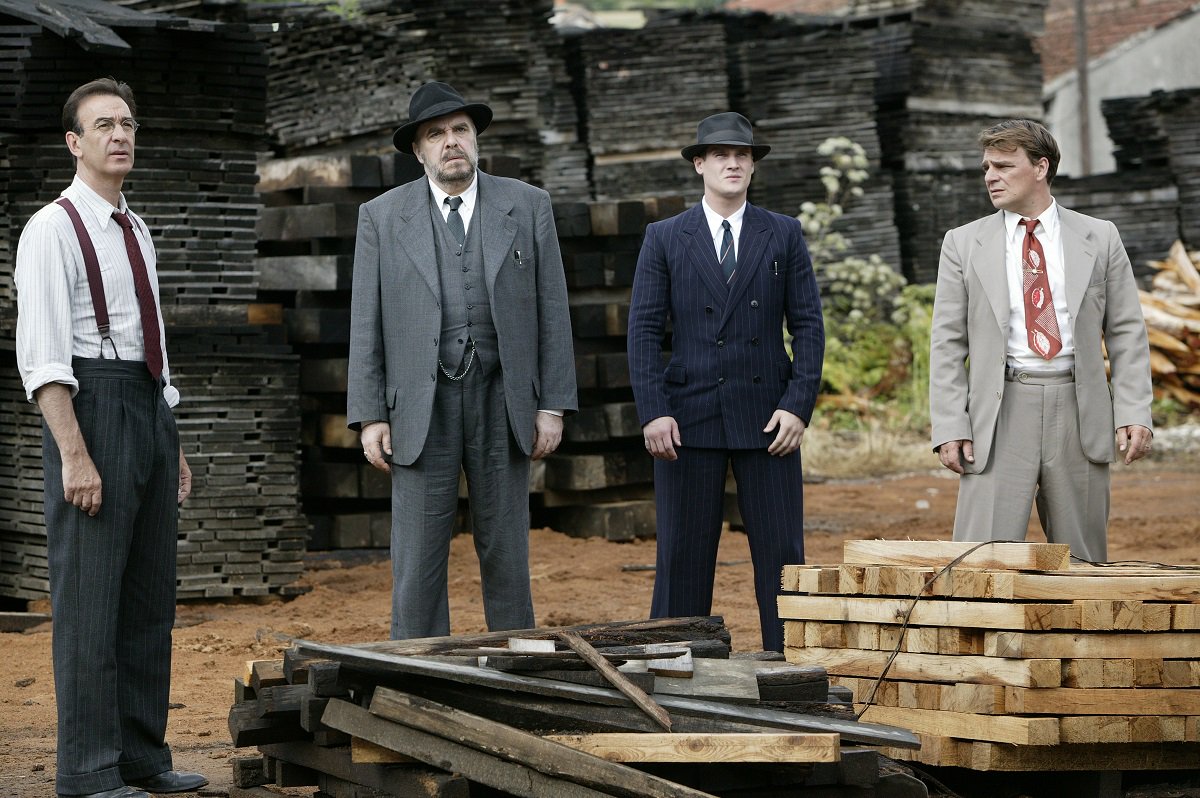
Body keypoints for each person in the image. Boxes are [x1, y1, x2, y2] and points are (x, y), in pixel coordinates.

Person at [14, 79, 207, 798]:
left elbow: (152, 343)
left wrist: (170, 437)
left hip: (147, 408)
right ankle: (89, 772)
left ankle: (141, 758)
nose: (119, 135)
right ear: (74, 142)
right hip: (91, 408)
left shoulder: (137, 227)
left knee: (149, 599)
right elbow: (43, 358)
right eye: (102, 125)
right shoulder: (52, 228)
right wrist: (74, 454)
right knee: (90, 601)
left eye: (127, 123)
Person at [348, 81, 577, 640]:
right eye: (436, 134)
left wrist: (553, 405)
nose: (450, 141)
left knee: (506, 549)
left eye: (460, 130)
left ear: (475, 139)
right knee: (418, 557)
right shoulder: (381, 217)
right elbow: (365, 320)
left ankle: (517, 664)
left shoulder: (528, 205)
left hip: (503, 398)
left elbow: (553, 309)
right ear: (418, 150)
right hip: (418, 405)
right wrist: (371, 414)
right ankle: (419, 672)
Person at [627, 112, 825, 652]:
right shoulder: (666, 237)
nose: (733, 163)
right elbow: (644, 329)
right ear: (699, 164)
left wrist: (798, 404)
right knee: (683, 551)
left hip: (769, 414)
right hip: (687, 416)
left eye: (743, 155)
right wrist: (654, 410)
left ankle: (790, 660)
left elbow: (808, 325)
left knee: (782, 552)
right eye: (720, 155)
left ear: (753, 166)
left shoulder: (782, 232)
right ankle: (674, 661)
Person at [930, 119, 1154, 562]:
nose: (991, 177)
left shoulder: (1100, 237)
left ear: (1040, 167)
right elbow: (947, 343)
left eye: (1003, 166)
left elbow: (1127, 331)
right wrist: (950, 424)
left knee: (1084, 562)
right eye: (986, 167)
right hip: (999, 412)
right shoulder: (962, 243)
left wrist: (1134, 411)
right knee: (981, 562)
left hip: (1079, 410)